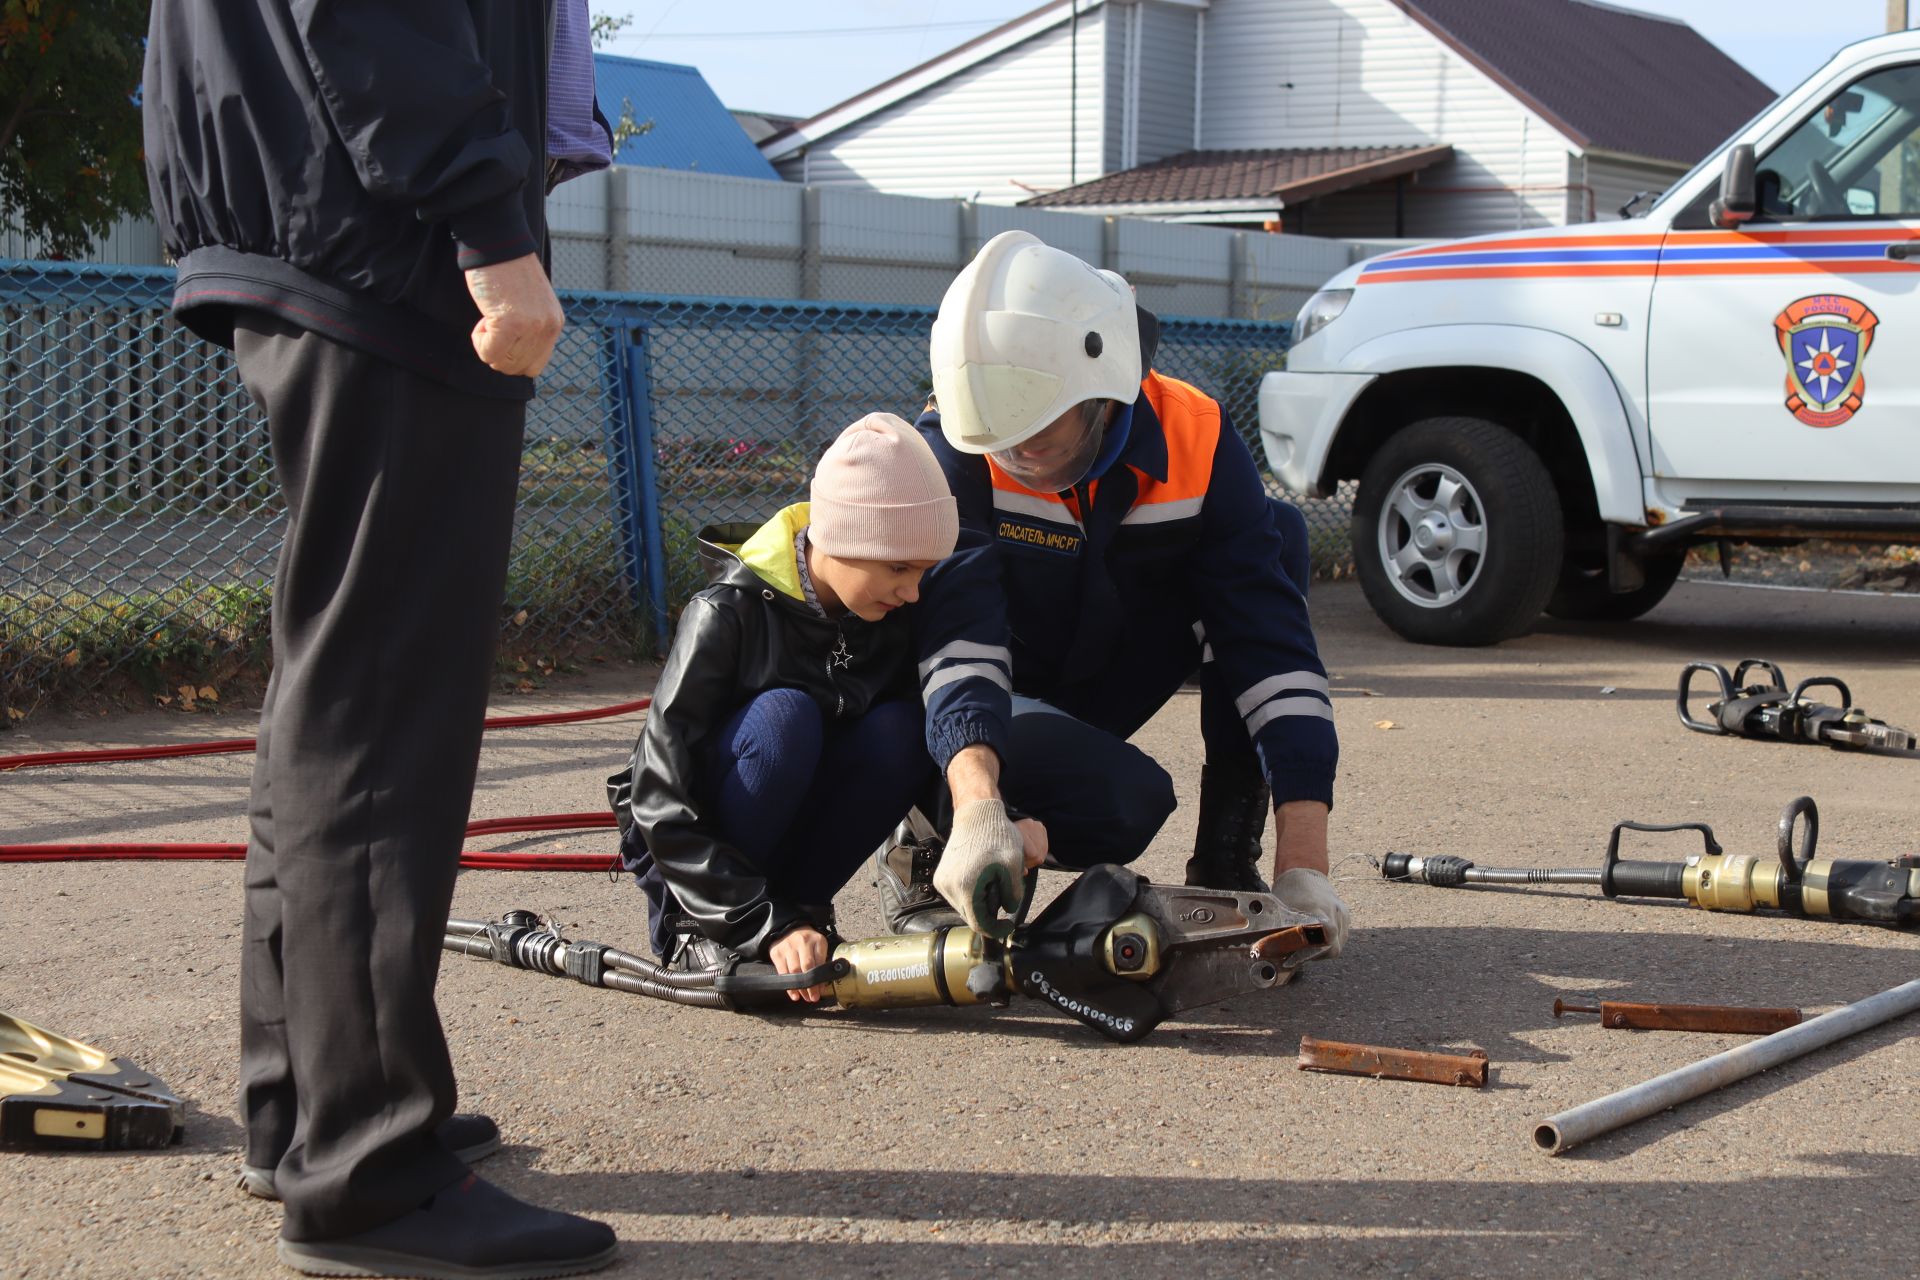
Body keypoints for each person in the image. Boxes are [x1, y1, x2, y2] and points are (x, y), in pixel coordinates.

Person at [142, 3, 618, 1276]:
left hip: (320, 207)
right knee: (382, 708)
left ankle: (307, 1107)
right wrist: (488, 223)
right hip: (386, 240)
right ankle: (367, 1165)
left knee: (340, 687)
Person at [876, 230, 1352, 957]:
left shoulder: (1198, 437)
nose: (1018, 455)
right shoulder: (955, 441)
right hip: (989, 688)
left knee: (1276, 538)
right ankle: (935, 840)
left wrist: (1306, 867)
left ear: (1105, 388)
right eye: (1002, 440)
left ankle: (1229, 858)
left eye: (1040, 432)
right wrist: (977, 805)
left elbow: (1270, 650)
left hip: (1105, 669)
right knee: (939, 679)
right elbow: (957, 633)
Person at [609, 414, 970, 993]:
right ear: (841, 538)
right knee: (786, 717)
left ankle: (804, 910)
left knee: (906, 727)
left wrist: (993, 816)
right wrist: (757, 921)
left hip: (788, 849)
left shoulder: (885, 613)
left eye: (923, 571)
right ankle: (702, 931)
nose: (912, 591)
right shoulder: (727, 613)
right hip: (699, 873)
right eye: (899, 568)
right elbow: (658, 791)